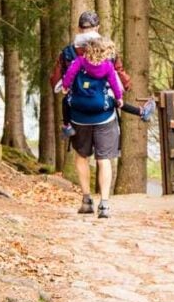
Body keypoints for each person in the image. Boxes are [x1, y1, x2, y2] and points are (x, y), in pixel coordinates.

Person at [50, 11, 154, 139]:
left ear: (79, 28)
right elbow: (124, 83)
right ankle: (141, 112)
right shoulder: (106, 51)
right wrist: (120, 92)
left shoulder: (67, 53)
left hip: (77, 109)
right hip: (103, 110)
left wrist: (67, 86)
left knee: (66, 102)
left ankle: (67, 127)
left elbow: (55, 83)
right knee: (115, 102)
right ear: (97, 27)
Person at [60, 36, 124, 218]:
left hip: (79, 118)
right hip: (104, 117)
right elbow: (115, 85)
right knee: (104, 159)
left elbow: (68, 78)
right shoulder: (108, 67)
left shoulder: (79, 62)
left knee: (81, 156)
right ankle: (104, 204)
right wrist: (119, 98)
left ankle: (86, 200)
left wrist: (65, 87)